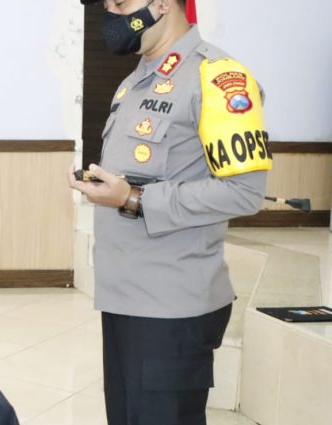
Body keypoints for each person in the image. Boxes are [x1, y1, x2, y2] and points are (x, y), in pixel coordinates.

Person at [70, 1, 270, 424]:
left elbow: (244, 192)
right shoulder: (135, 80)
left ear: (161, 3)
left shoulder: (217, 78)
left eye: (121, 4)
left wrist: (133, 198)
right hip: (124, 297)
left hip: (172, 308)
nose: (112, 17)